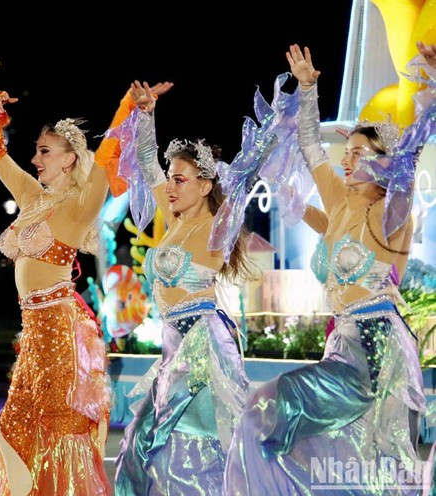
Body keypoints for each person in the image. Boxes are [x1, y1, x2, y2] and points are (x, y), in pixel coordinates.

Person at [224, 44, 427, 494]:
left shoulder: (390, 213)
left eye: (358, 152)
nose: (347, 159)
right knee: (328, 452)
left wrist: (428, 96)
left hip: (376, 352)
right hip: (343, 344)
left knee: (271, 414)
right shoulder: (340, 200)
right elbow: (312, 145)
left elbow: (407, 170)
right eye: (348, 151)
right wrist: (309, 88)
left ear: (383, 162)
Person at [0, 90, 115, 495]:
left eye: (45, 152)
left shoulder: (78, 206)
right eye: (36, 151)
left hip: (61, 331)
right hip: (33, 332)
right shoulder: (34, 198)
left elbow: (104, 161)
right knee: (16, 422)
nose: (35, 159)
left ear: (69, 159)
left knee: (60, 426)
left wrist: (129, 107)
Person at [112, 81, 251, 495]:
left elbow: (242, 177)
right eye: (171, 179)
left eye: (180, 179)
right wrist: (146, 114)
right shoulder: (175, 220)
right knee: (139, 449)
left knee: (189, 452)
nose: (170, 187)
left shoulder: (216, 226)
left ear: (206, 185)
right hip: (175, 349)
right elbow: (145, 161)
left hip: (202, 347)